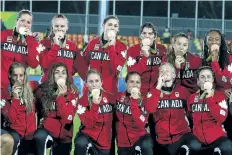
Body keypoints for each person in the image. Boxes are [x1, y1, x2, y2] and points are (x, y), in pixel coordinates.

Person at [146, 62, 201, 155]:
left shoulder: (183, 91)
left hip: (182, 136)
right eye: (161, 71)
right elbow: (150, 109)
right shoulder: (153, 92)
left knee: (195, 145)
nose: (164, 72)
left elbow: (192, 111)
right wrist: (158, 87)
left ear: (174, 75)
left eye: (167, 70)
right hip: (162, 141)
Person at [32, 63, 78, 155]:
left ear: (67, 76)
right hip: (46, 131)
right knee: (39, 136)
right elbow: (34, 109)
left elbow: (68, 119)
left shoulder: (73, 92)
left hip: (64, 137)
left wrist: (61, 97)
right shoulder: (41, 91)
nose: (60, 75)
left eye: (63, 72)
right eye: (57, 72)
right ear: (52, 75)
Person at [77, 15, 127, 94]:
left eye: (115, 26)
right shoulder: (93, 44)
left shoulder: (121, 47)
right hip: (90, 91)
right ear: (103, 26)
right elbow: (82, 65)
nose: (112, 27)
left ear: (117, 29)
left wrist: (111, 47)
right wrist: (88, 81)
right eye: (110, 25)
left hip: (109, 92)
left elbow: (116, 69)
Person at [187, 66, 232, 154]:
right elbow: (190, 117)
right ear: (198, 81)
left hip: (218, 139)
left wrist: (208, 97)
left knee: (228, 147)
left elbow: (221, 118)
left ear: (212, 80)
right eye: (202, 77)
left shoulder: (220, 96)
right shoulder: (191, 98)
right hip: (198, 141)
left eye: (208, 77)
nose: (206, 79)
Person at [74, 69, 114, 155]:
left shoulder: (111, 98)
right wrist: (95, 105)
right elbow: (89, 123)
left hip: (104, 142)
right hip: (87, 136)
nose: (94, 84)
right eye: (91, 82)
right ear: (86, 84)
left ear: (101, 82)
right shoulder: (81, 102)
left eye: (97, 81)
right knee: (80, 143)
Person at [1, 62, 37, 155]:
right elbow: (11, 119)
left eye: (21, 75)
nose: (18, 79)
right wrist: (15, 98)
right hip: (14, 134)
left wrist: (70, 85)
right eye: (15, 75)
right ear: (9, 75)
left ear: (25, 76)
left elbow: (49, 87)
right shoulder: (4, 94)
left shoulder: (33, 87)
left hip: (30, 135)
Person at [116, 71, 153, 155]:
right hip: (123, 143)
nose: (135, 85)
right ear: (125, 84)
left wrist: (134, 100)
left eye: (137, 82)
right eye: (131, 82)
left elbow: (140, 124)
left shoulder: (144, 101)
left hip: (140, 139)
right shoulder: (118, 97)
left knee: (147, 144)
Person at [39, 14, 84, 83]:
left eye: (62, 26)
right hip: (48, 86)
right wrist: (56, 46)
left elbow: (81, 67)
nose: (59, 29)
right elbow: (45, 65)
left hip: (66, 87)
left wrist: (68, 74)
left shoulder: (72, 46)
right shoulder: (44, 43)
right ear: (52, 27)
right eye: (56, 26)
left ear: (67, 28)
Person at [1, 9, 39, 89]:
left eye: (28, 22)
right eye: (22, 20)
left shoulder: (33, 42)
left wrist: (29, 40)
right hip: (2, 85)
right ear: (16, 21)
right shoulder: (4, 34)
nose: (25, 24)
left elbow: (33, 64)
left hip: (20, 87)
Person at [127, 22, 167, 96]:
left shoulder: (162, 49)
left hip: (156, 92)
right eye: (144, 33)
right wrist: (145, 57)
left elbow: (165, 72)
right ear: (140, 35)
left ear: (155, 36)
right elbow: (132, 74)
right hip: (138, 92)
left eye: (150, 33)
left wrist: (161, 88)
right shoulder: (132, 50)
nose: (147, 36)